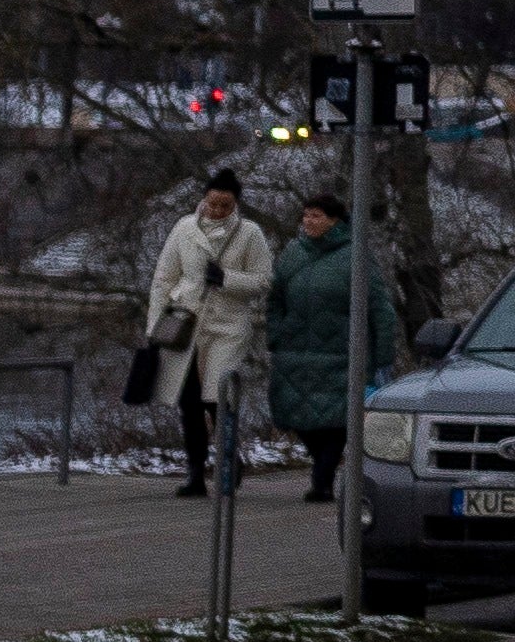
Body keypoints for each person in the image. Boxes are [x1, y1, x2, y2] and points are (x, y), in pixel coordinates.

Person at [135, 170, 273, 498]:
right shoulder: (184, 228)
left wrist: (226, 278)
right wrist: (155, 327)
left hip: (226, 327)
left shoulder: (250, 234)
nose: (216, 210)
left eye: (225, 205)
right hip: (185, 325)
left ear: (235, 204)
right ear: (204, 198)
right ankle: (195, 472)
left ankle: (227, 462)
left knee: (217, 398)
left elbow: (264, 281)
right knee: (189, 402)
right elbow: (164, 278)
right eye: (212, 203)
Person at [264, 193, 362, 505]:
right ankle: (322, 469)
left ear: (334, 221)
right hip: (294, 349)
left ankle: (322, 480)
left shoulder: (353, 256)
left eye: (316, 216)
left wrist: (374, 352)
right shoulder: (293, 252)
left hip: (339, 352)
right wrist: (276, 332)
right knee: (297, 416)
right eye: (306, 216)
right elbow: (275, 296)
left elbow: (376, 306)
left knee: (334, 421)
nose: (309, 222)